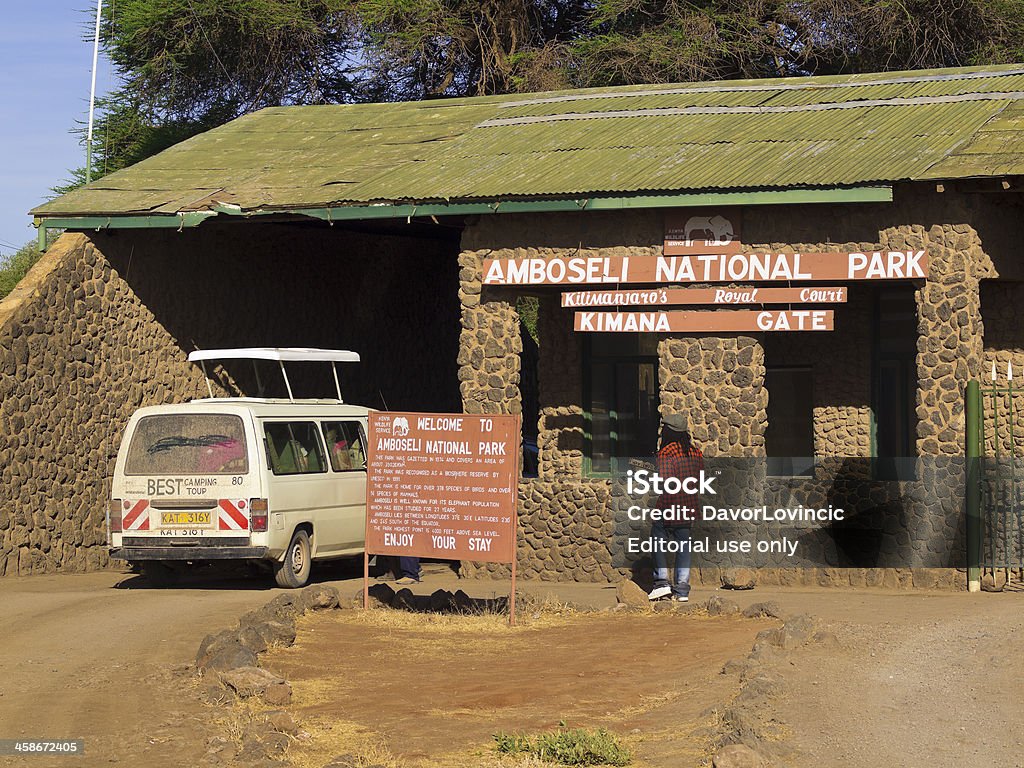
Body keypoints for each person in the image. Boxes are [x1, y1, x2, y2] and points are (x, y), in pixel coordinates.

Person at [649, 412, 704, 603]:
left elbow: (665, 482)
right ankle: (682, 591)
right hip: (688, 507)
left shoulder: (666, 453)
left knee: (657, 540)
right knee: (684, 546)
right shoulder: (696, 452)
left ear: (669, 432)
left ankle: (662, 583)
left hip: (669, 505)